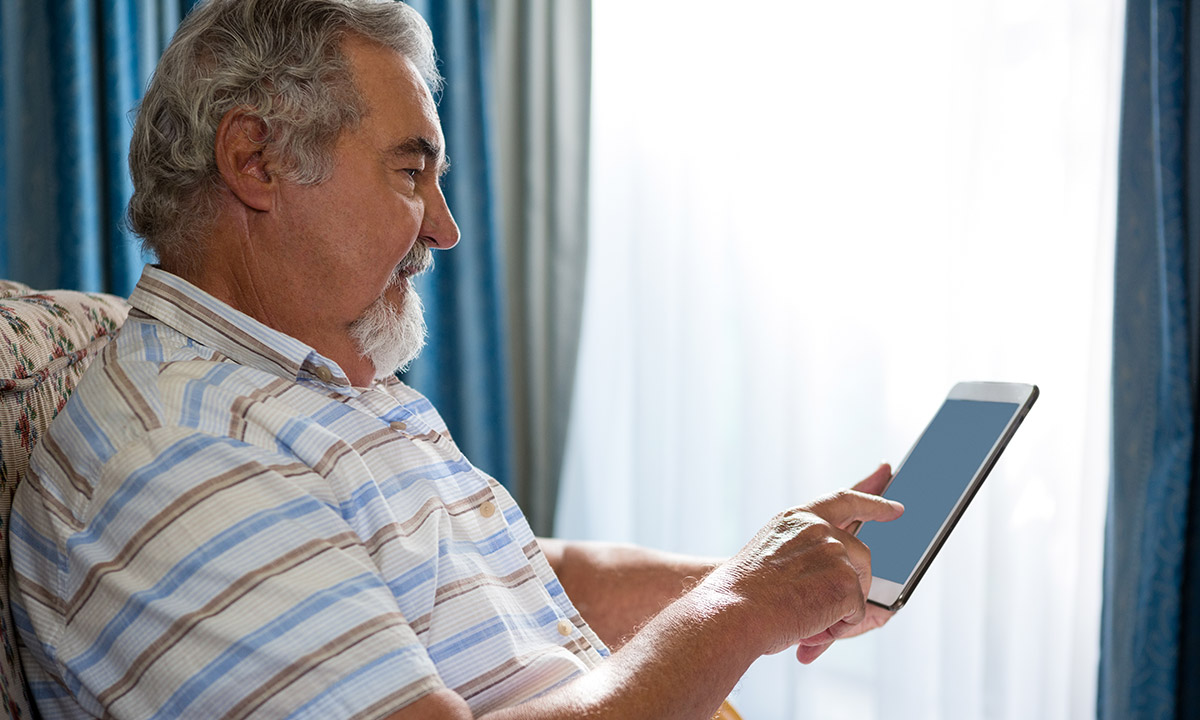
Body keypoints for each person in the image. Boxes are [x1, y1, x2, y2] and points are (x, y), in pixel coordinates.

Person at [9, 1, 904, 718]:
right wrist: (738, 611)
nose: (445, 228)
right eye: (410, 173)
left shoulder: (313, 383)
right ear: (255, 160)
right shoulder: (180, 457)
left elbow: (515, 575)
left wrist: (769, 574)